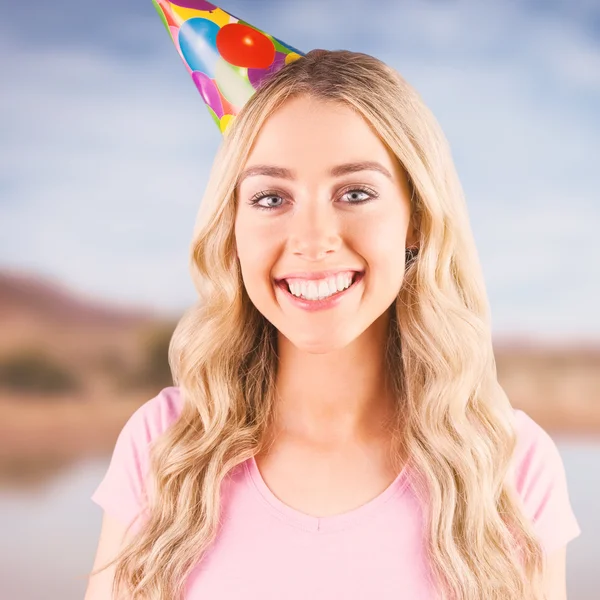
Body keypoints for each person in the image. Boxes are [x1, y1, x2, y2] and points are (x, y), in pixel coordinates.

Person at [84, 26, 581, 600]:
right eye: (272, 198)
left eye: (355, 193)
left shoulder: (511, 467)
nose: (313, 239)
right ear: (234, 228)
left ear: (416, 218)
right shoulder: (164, 446)